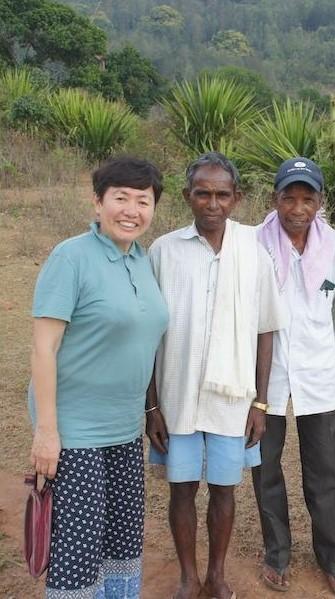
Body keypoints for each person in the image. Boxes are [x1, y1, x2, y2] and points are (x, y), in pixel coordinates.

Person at [146, 152, 286, 599]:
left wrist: (260, 403)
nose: (212, 203)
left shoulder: (253, 252)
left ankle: (218, 574)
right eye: (202, 193)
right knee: (182, 490)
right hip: (177, 396)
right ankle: (188, 576)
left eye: (222, 194)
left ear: (237, 198)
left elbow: (266, 330)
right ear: (188, 196)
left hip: (233, 399)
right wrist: (151, 405)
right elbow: (147, 333)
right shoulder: (164, 251)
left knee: (225, 490)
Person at [28, 157, 168, 598]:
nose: (131, 210)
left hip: (125, 431)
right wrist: (47, 432)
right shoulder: (71, 257)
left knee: (121, 542)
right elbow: (43, 347)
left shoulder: (144, 261)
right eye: (120, 198)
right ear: (97, 203)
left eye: (142, 200)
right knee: (78, 553)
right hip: (76, 433)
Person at [252, 157, 335, 596]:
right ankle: (277, 552)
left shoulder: (334, 247)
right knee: (265, 466)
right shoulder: (252, 244)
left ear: (320, 201)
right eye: (288, 196)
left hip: (316, 372)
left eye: (307, 197)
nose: (297, 207)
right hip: (265, 376)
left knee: (327, 470)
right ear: (274, 198)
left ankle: (331, 554)